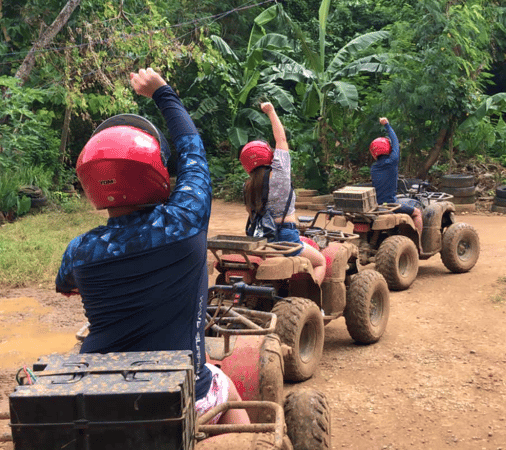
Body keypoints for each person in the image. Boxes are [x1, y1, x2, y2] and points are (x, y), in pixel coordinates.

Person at [55, 67, 249, 426]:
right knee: (226, 386)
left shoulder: (79, 251)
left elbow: (67, 286)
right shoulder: (184, 221)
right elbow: (193, 154)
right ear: (155, 173)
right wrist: (163, 92)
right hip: (178, 393)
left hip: (101, 395)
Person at [239, 102, 326, 285]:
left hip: (261, 241)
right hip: (287, 238)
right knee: (320, 262)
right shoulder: (280, 172)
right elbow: (281, 140)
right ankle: (314, 305)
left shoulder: (247, 187)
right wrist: (271, 111)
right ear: (268, 155)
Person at [370, 117, 423, 233]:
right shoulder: (392, 161)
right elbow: (395, 142)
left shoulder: (373, 168)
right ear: (387, 149)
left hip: (377, 205)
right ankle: (419, 245)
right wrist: (387, 125)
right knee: (417, 212)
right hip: (390, 204)